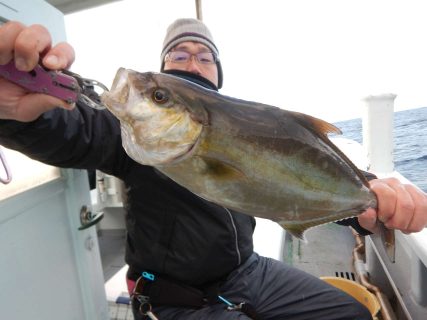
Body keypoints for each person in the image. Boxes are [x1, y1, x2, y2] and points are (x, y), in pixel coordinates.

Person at [0, 18, 426, 320]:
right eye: (178, 55)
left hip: (247, 271)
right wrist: (15, 112)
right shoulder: (127, 136)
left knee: (347, 311)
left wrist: (369, 200)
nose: (192, 62)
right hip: (176, 297)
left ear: (218, 74)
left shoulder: (248, 127)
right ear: (167, 69)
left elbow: (297, 178)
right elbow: (67, 132)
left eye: (204, 57)